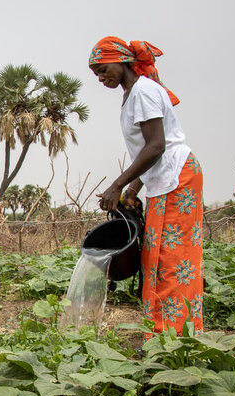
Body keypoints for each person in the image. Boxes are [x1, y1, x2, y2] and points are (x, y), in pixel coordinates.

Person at [89, 36, 203, 335]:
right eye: (96, 74)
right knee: (156, 256)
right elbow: (148, 152)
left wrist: (117, 185)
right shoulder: (132, 95)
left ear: (123, 60)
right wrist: (132, 191)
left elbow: (156, 147)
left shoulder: (143, 91)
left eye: (103, 69)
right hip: (163, 182)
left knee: (172, 260)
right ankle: (163, 331)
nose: (101, 78)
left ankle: (177, 336)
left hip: (177, 178)